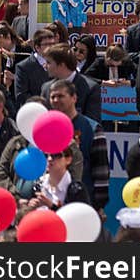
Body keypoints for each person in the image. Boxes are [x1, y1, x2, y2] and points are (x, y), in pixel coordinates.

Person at [47, 78, 109, 212]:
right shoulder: (47, 128)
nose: (56, 100)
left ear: (74, 98)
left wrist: (99, 205)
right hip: (50, 199)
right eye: (53, 97)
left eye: (61, 96)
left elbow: (101, 169)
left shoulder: (92, 128)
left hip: (83, 201)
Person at [40, 43, 102, 123]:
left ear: (61, 65)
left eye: (48, 62)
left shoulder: (90, 88)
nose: (45, 66)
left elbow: (92, 122)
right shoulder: (46, 88)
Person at [13, 29, 55, 109]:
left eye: (53, 44)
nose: (51, 47)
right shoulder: (24, 67)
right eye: (47, 44)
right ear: (37, 47)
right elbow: (21, 95)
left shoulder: (58, 63)